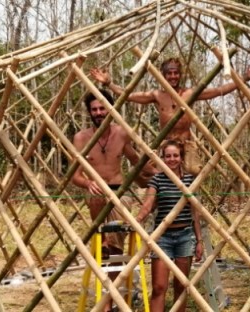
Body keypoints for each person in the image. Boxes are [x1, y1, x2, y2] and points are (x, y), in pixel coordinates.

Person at [90, 58, 250, 176]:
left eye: (176, 73)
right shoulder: (157, 95)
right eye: (169, 73)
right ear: (163, 75)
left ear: (180, 75)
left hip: (186, 144)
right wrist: (108, 83)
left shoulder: (189, 93)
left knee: (192, 175)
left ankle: (191, 214)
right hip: (166, 145)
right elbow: (127, 95)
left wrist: (246, 77)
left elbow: (219, 91)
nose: (173, 76)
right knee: (155, 177)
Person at [71, 89, 145, 312]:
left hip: (119, 192)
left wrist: (156, 177)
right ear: (89, 112)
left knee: (114, 249)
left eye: (102, 108)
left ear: (110, 109)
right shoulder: (81, 138)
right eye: (94, 109)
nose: (98, 112)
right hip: (96, 194)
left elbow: (137, 162)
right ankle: (105, 243)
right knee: (96, 200)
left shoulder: (121, 133)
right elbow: (74, 175)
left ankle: (111, 296)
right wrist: (87, 183)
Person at [134, 140, 202, 312]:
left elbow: (195, 213)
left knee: (181, 285)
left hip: (185, 236)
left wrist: (199, 240)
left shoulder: (189, 180)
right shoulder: (157, 180)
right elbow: (148, 205)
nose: (172, 159)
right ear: (162, 159)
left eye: (175, 156)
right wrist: (137, 219)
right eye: (168, 156)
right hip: (162, 237)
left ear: (181, 158)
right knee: (159, 287)